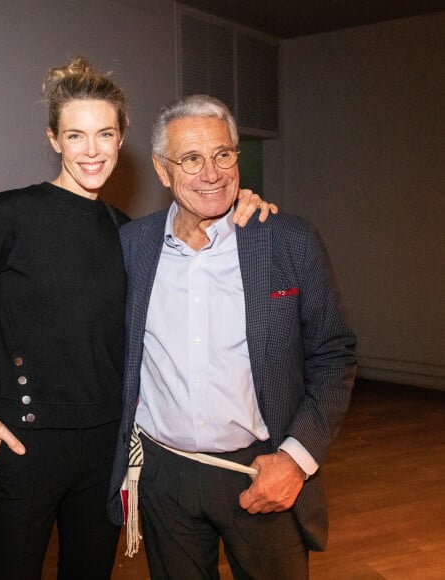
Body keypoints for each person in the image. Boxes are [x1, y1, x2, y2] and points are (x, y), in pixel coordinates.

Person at [0, 59, 274, 580]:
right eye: (76, 135)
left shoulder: (130, 235)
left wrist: (239, 203)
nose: (91, 150)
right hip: (25, 445)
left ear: (121, 138)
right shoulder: (7, 215)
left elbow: (187, 252)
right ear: (54, 139)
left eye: (104, 134)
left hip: (107, 450)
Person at [107, 94, 357, 579]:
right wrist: (6, 285)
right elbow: (76, 300)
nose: (213, 173)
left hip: (261, 473)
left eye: (223, 155)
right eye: (192, 159)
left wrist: (295, 458)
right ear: (162, 170)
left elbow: (335, 354)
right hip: (164, 477)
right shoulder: (132, 246)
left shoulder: (287, 239)